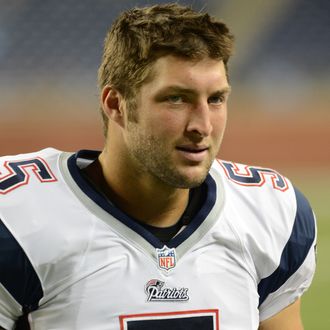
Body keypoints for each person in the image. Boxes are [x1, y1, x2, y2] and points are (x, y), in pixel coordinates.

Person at [0, 3, 316, 330]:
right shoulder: (16, 220)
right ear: (116, 105)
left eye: (216, 99)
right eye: (176, 99)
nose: (203, 126)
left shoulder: (269, 213)